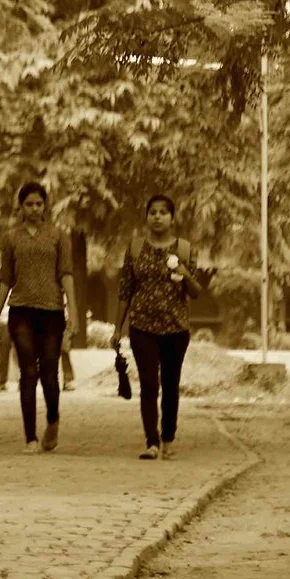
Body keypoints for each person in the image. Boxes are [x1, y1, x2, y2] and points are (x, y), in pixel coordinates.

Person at [114, 193, 208, 460]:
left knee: (170, 383)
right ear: (146, 217)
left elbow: (196, 292)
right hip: (142, 326)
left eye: (163, 212)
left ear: (172, 218)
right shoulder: (134, 248)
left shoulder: (185, 249)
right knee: (149, 384)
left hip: (175, 328)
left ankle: (168, 437)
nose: (157, 217)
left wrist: (184, 272)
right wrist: (116, 329)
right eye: (152, 212)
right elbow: (125, 291)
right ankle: (151, 442)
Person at [0, 180, 76, 453]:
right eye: (29, 204)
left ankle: (53, 420)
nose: (34, 209)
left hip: (52, 311)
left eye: (39, 203)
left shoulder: (58, 236)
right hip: (21, 311)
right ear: (20, 207)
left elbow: (66, 274)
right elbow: (6, 279)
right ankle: (30, 437)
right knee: (27, 373)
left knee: (49, 372)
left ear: (45, 206)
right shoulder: (11, 238)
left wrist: (73, 313)